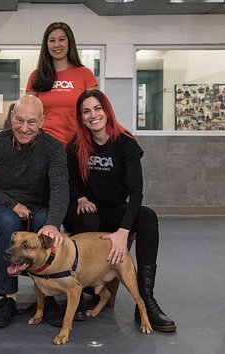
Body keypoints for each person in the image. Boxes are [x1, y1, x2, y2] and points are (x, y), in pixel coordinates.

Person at [63, 89, 176, 332]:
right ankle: (79, 293)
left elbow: (137, 192)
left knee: (147, 217)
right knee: (88, 216)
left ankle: (145, 300)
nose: (92, 115)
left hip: (115, 210)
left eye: (97, 108)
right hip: (85, 211)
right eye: (86, 111)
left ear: (106, 110)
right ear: (81, 118)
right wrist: (80, 197)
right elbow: (67, 181)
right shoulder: (76, 144)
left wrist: (123, 231)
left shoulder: (126, 143)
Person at [0, 94, 69, 328]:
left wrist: (52, 223)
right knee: (8, 224)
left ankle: (48, 295)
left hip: (40, 208)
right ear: (11, 117)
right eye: (19, 120)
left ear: (42, 121)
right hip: (3, 208)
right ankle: (7, 298)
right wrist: (12, 204)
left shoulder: (54, 148)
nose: (24, 128)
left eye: (31, 122)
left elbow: (61, 189)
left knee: (46, 230)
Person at [26, 21, 98, 146]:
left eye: (62, 39)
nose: (57, 45)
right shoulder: (36, 76)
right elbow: (28, 113)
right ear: (46, 44)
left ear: (69, 42)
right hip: (44, 146)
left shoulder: (85, 74)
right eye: (52, 40)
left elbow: (95, 112)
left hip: (78, 144)